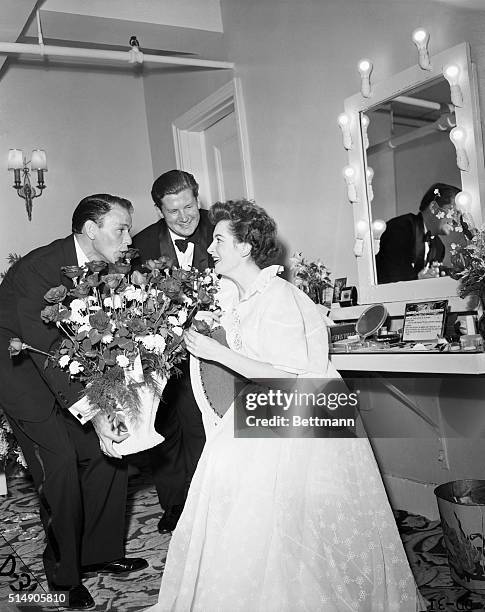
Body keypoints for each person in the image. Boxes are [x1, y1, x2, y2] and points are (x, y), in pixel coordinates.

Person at [147, 200, 427, 611]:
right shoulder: (234, 293)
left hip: (304, 408)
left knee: (289, 519)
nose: (210, 248)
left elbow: (291, 376)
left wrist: (217, 352)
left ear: (244, 248)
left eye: (220, 240)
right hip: (267, 404)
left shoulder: (279, 296)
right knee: (231, 489)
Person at [0, 194, 147, 610]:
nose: (128, 237)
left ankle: (101, 554)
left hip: (63, 365)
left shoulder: (108, 268)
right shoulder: (39, 269)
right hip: (19, 369)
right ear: (90, 230)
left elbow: (96, 338)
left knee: (108, 452)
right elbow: (46, 351)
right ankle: (63, 578)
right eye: (121, 229)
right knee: (60, 465)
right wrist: (95, 411)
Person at [132, 170, 214, 533]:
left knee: (202, 426)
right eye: (172, 211)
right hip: (161, 353)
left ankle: (205, 502)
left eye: (189, 206)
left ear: (198, 199)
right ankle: (174, 505)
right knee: (165, 430)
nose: (184, 217)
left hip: (212, 349)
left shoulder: (222, 230)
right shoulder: (143, 243)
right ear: (158, 210)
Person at [376, 182, 461, 284]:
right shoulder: (400, 228)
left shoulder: (439, 248)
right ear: (434, 207)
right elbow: (390, 277)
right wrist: (418, 280)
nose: (457, 221)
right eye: (455, 213)